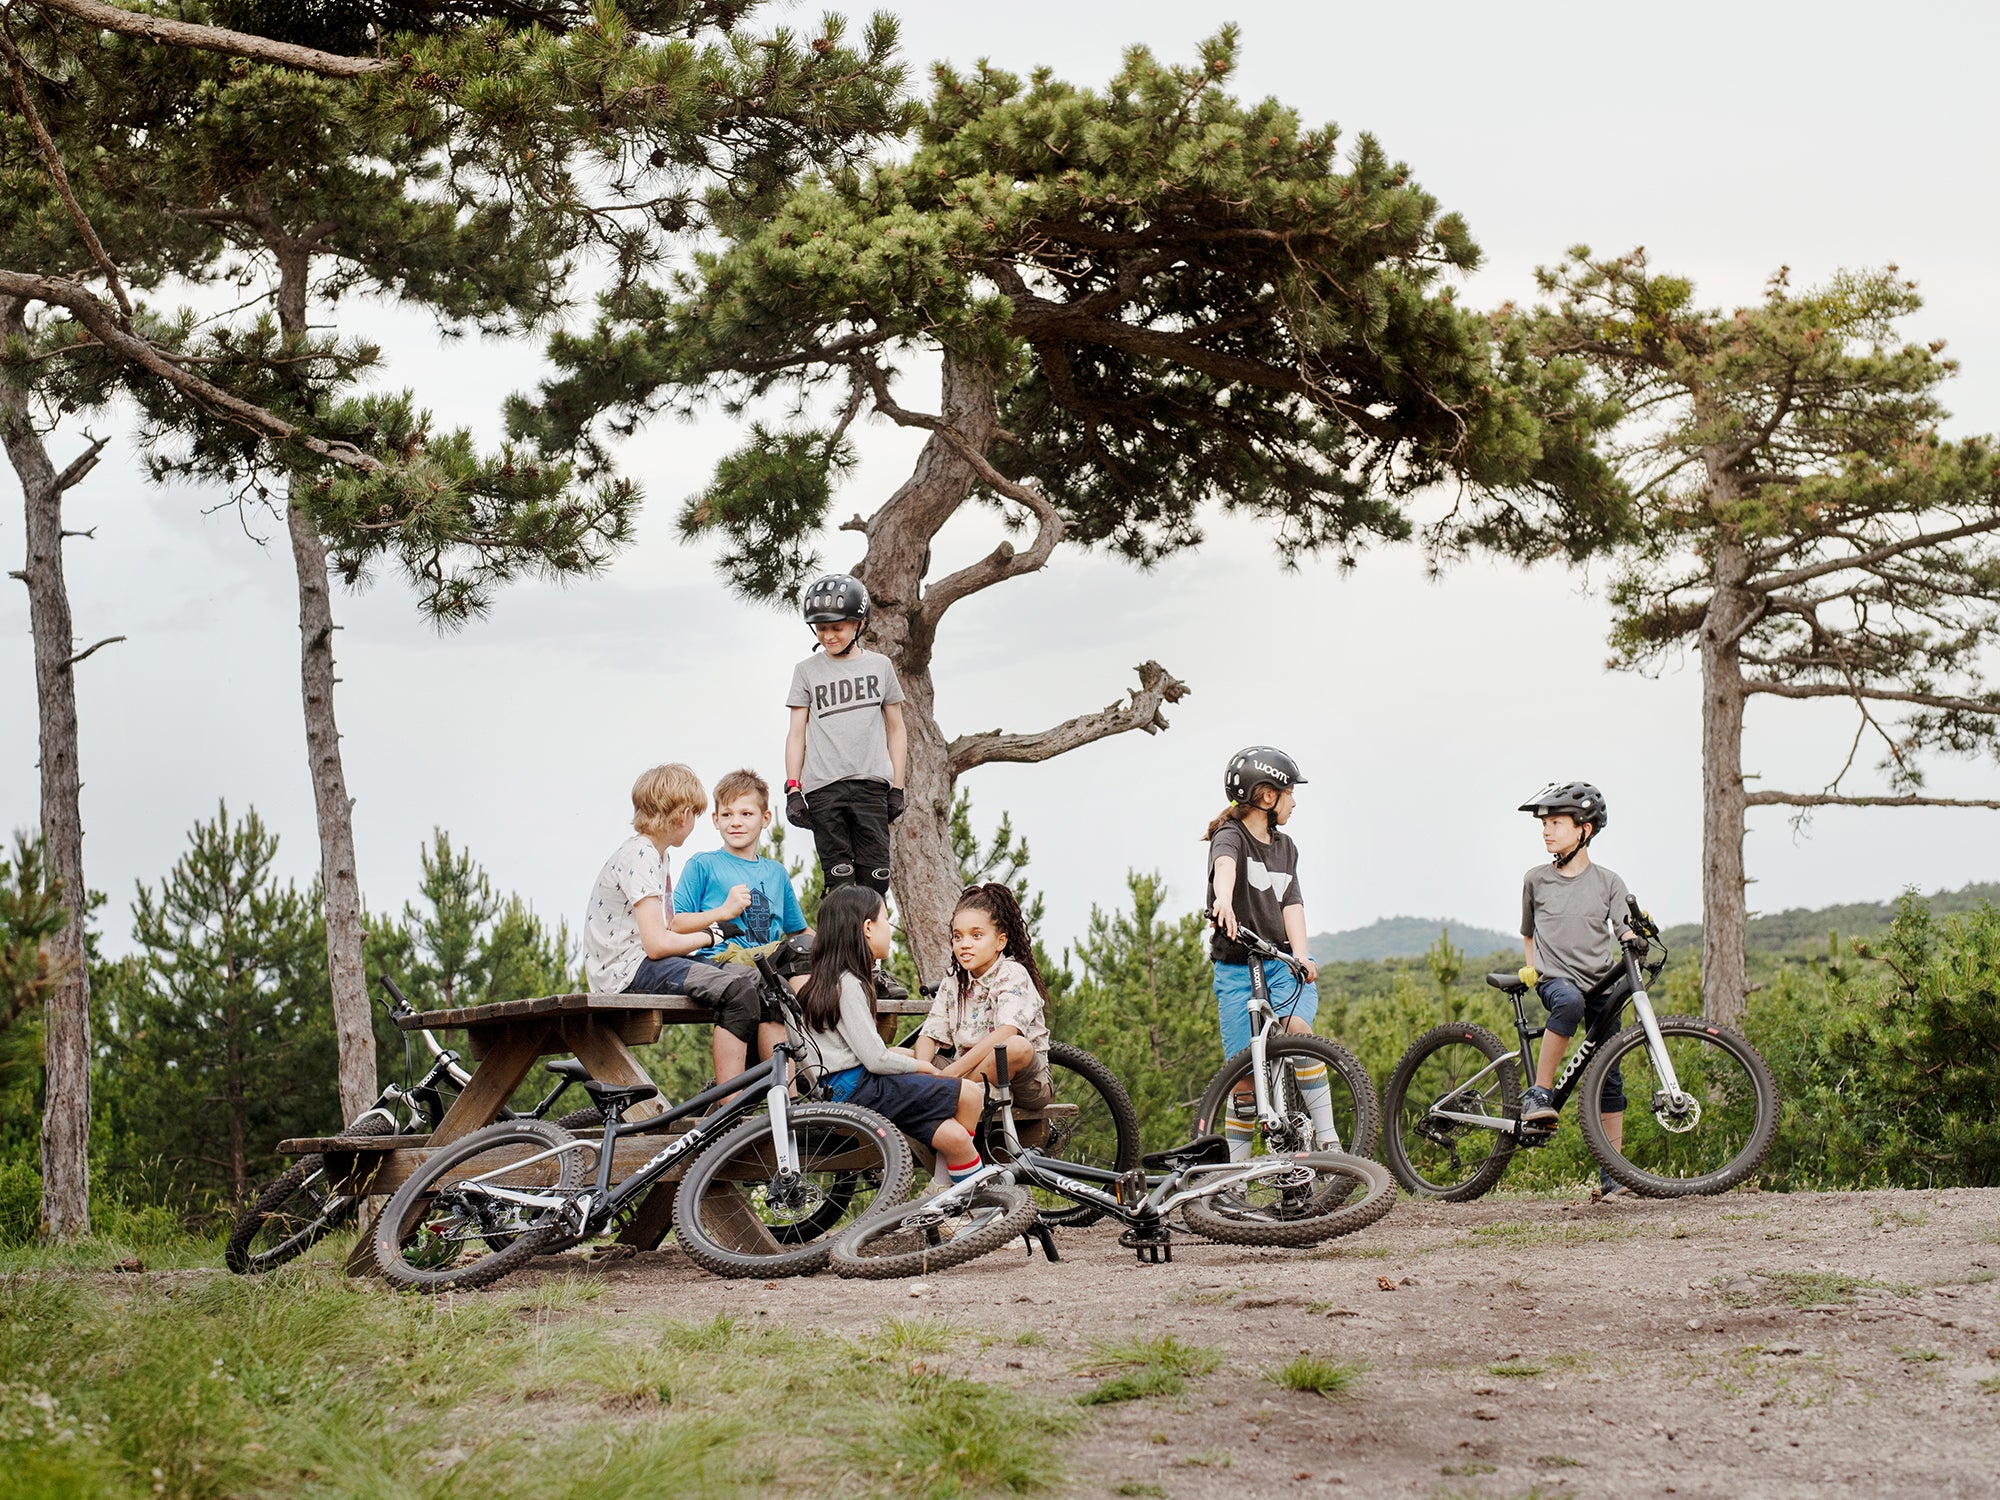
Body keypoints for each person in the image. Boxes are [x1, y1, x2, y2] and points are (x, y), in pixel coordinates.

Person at [582, 763, 786, 1090]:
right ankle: (727, 1104)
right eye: (696, 814)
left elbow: (669, 925)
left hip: (648, 962)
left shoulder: (657, 855)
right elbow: (657, 944)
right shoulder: (641, 856)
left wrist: (715, 921)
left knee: (759, 980)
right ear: (683, 816)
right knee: (737, 992)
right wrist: (711, 935)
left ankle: (759, 1090)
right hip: (626, 970)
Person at [794, 884, 987, 1187]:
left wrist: (905, 1058)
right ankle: (950, 1195)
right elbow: (874, 1060)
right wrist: (922, 1066)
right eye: (886, 920)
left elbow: (854, 1053)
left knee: (955, 1137)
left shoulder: (824, 981)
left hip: (840, 1087)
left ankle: (944, 1199)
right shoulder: (849, 984)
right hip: (858, 1089)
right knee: (971, 1093)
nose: (890, 930)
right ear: (868, 928)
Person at [1204, 746, 1338, 1160]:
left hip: (1279, 962)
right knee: (1244, 1075)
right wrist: (1222, 901)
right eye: (1290, 793)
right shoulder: (1230, 837)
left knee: (1298, 1029)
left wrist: (1301, 954)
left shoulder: (1285, 846)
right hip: (1235, 968)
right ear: (1266, 797)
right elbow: (1224, 866)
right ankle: (1236, 1175)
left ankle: (1328, 1139)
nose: (1294, 802)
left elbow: (1291, 903)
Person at [1515, 780, 1640, 1203]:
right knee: (1566, 1004)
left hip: (1599, 982)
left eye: (1556, 823)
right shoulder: (1536, 880)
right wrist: (1533, 969)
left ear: (1584, 829)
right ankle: (1540, 1092)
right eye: (1544, 824)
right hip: (1555, 980)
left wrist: (1635, 936)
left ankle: (1614, 1176)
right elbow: (1529, 934)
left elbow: (1624, 927)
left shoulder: (1608, 882)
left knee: (1610, 1074)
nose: (1547, 831)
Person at [783, 572, 907, 899]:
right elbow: (797, 733)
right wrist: (793, 788)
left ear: (859, 624)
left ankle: (870, 950)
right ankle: (841, 947)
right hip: (824, 787)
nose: (828, 636)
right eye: (821, 628)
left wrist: (897, 787)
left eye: (836, 627)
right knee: (839, 881)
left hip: (871, 786)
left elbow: (896, 729)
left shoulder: (880, 667)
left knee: (876, 880)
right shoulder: (806, 671)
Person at [912, 882, 1053, 1112]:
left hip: (1021, 1080)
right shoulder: (954, 979)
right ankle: (957, 1090)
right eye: (958, 937)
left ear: (1000, 941)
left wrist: (951, 1074)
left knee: (1015, 1046)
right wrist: (922, 1071)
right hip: (968, 1070)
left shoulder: (1011, 973)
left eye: (976, 936)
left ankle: (955, 1090)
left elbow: (1006, 1032)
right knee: (897, 1057)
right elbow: (930, 1034)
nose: (965, 944)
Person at [671, 768, 813, 984]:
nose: (735, 822)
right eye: (727, 814)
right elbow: (676, 924)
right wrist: (722, 911)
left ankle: (800, 1017)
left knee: (811, 973)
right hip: (721, 961)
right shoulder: (702, 865)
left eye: (746, 814)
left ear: (765, 818)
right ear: (716, 819)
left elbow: (799, 931)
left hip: (769, 962)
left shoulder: (777, 873)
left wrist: (841, 951)